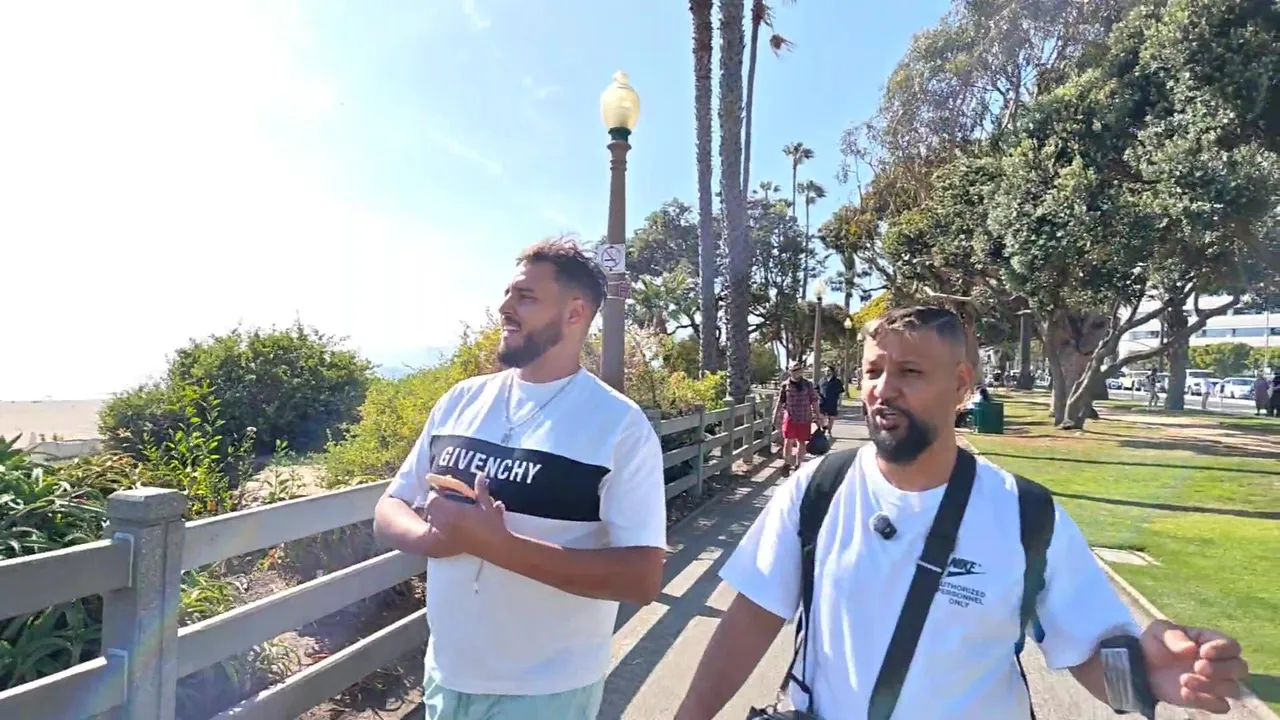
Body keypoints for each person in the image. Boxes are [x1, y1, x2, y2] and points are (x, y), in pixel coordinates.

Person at [674, 306, 1248, 720]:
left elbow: (1091, 652)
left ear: (961, 384)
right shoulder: (817, 489)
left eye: (910, 372)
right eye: (873, 372)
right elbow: (751, 619)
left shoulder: (1025, 514)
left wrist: (1147, 680)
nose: (883, 389)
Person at [372, 239, 668, 720]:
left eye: (525, 297)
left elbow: (641, 577)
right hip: (446, 676)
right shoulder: (460, 401)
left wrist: (499, 546)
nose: (504, 308)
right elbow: (391, 505)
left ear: (575, 314)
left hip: (547, 690)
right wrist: (432, 539)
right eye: (508, 293)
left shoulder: (619, 425)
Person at [773, 361, 820, 475]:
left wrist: (818, 415)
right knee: (788, 440)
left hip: (804, 417)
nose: (796, 372)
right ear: (790, 372)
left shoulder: (808, 384)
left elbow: (813, 400)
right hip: (790, 417)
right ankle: (787, 463)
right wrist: (775, 415)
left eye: (798, 370)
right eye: (794, 370)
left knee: (801, 441)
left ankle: (799, 464)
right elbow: (780, 401)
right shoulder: (785, 385)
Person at [817, 365, 845, 434]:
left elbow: (840, 393)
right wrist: (817, 398)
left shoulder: (837, 381)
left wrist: (840, 402)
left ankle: (829, 431)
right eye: (825, 370)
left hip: (833, 402)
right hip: (822, 402)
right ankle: (823, 429)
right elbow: (816, 390)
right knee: (821, 417)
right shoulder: (821, 380)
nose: (826, 372)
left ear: (832, 372)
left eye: (828, 370)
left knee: (831, 418)